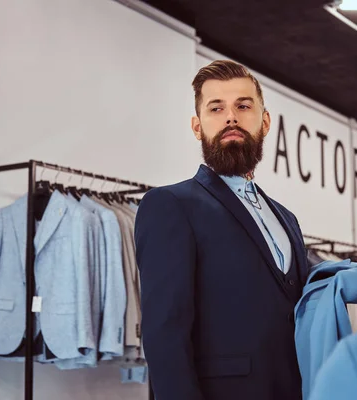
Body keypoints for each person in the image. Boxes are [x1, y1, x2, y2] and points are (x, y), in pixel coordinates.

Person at [134, 60, 308, 400]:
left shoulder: (287, 219)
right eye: (217, 108)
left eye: (243, 106)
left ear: (265, 121)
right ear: (198, 127)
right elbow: (164, 336)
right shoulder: (170, 205)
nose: (231, 117)